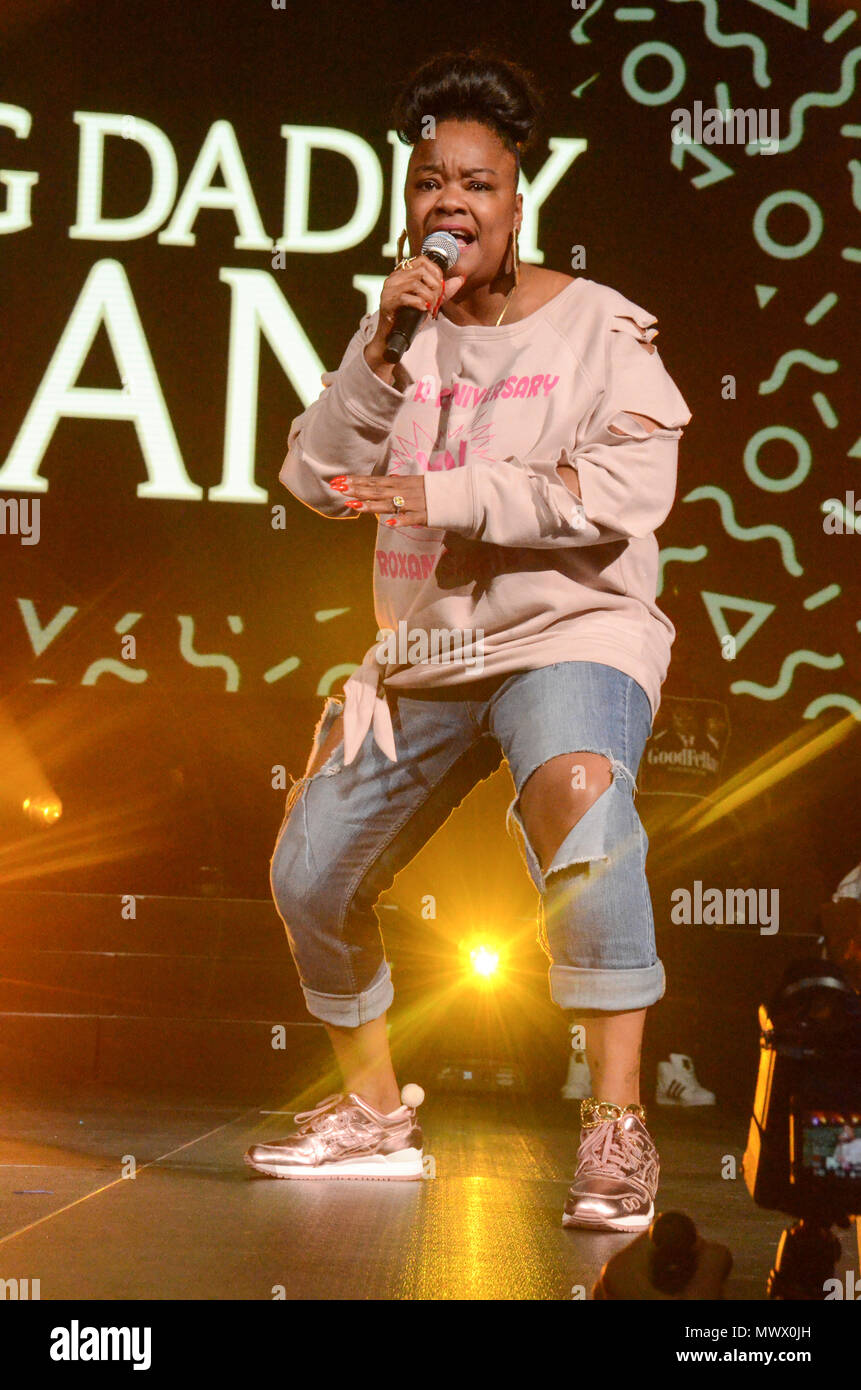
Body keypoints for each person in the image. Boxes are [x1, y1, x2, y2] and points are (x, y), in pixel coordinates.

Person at [245, 50, 692, 1233]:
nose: (454, 203)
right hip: (428, 652)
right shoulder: (398, 333)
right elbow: (312, 478)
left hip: (574, 625)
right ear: (411, 203)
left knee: (579, 796)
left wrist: (455, 498)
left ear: (516, 199)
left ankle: (616, 1130)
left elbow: (625, 491)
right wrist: (381, 353)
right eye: (433, 183)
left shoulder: (599, 326)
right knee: (307, 872)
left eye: (478, 184)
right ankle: (377, 1119)